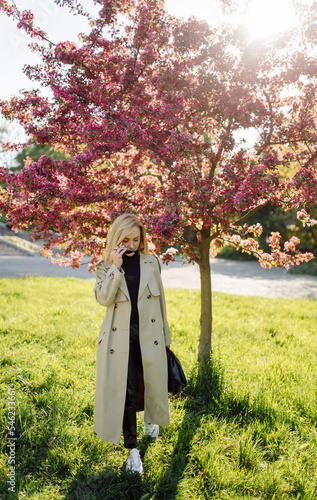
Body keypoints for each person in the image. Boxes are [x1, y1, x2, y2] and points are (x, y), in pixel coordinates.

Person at [93, 213, 171, 473]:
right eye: (125, 239)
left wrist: (167, 338)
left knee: (149, 382)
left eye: (137, 239)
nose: (132, 244)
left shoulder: (151, 261)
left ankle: (151, 420)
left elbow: (161, 304)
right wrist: (116, 267)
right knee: (125, 392)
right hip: (119, 339)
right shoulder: (105, 266)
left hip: (150, 336)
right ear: (116, 238)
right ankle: (132, 451)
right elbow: (104, 299)